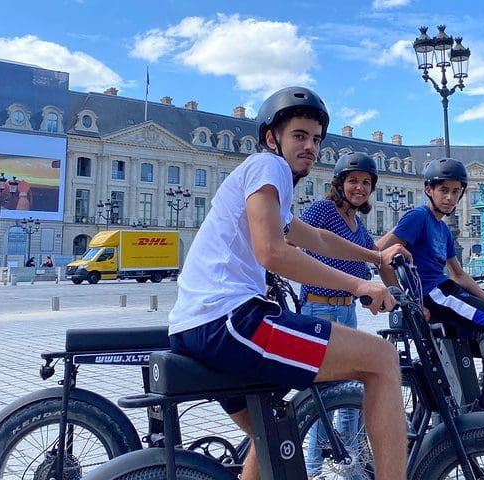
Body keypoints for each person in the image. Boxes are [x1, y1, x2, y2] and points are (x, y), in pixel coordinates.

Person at [167, 87, 408, 480]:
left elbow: (318, 239)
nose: (310, 146)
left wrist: (375, 257)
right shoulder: (268, 167)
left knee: (277, 434)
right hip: (229, 322)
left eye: (316, 139)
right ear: (271, 138)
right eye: (299, 135)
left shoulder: (265, 185)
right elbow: (273, 253)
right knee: (381, 360)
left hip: (198, 327)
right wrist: (360, 286)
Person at [376, 157, 484, 415]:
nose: (450, 197)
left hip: (447, 289)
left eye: (455, 192)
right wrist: (407, 303)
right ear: (429, 190)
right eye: (444, 190)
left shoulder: (442, 229)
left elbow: (458, 274)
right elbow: (379, 253)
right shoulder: (418, 217)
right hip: (435, 296)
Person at [298, 152, 378, 478]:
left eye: (365, 183)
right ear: (340, 183)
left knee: (347, 394)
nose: (359, 187)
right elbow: (295, 239)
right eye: (353, 180)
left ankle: (349, 468)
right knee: (326, 393)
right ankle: (314, 469)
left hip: (346, 312)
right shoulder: (323, 210)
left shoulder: (357, 224)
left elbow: (372, 258)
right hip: (320, 308)